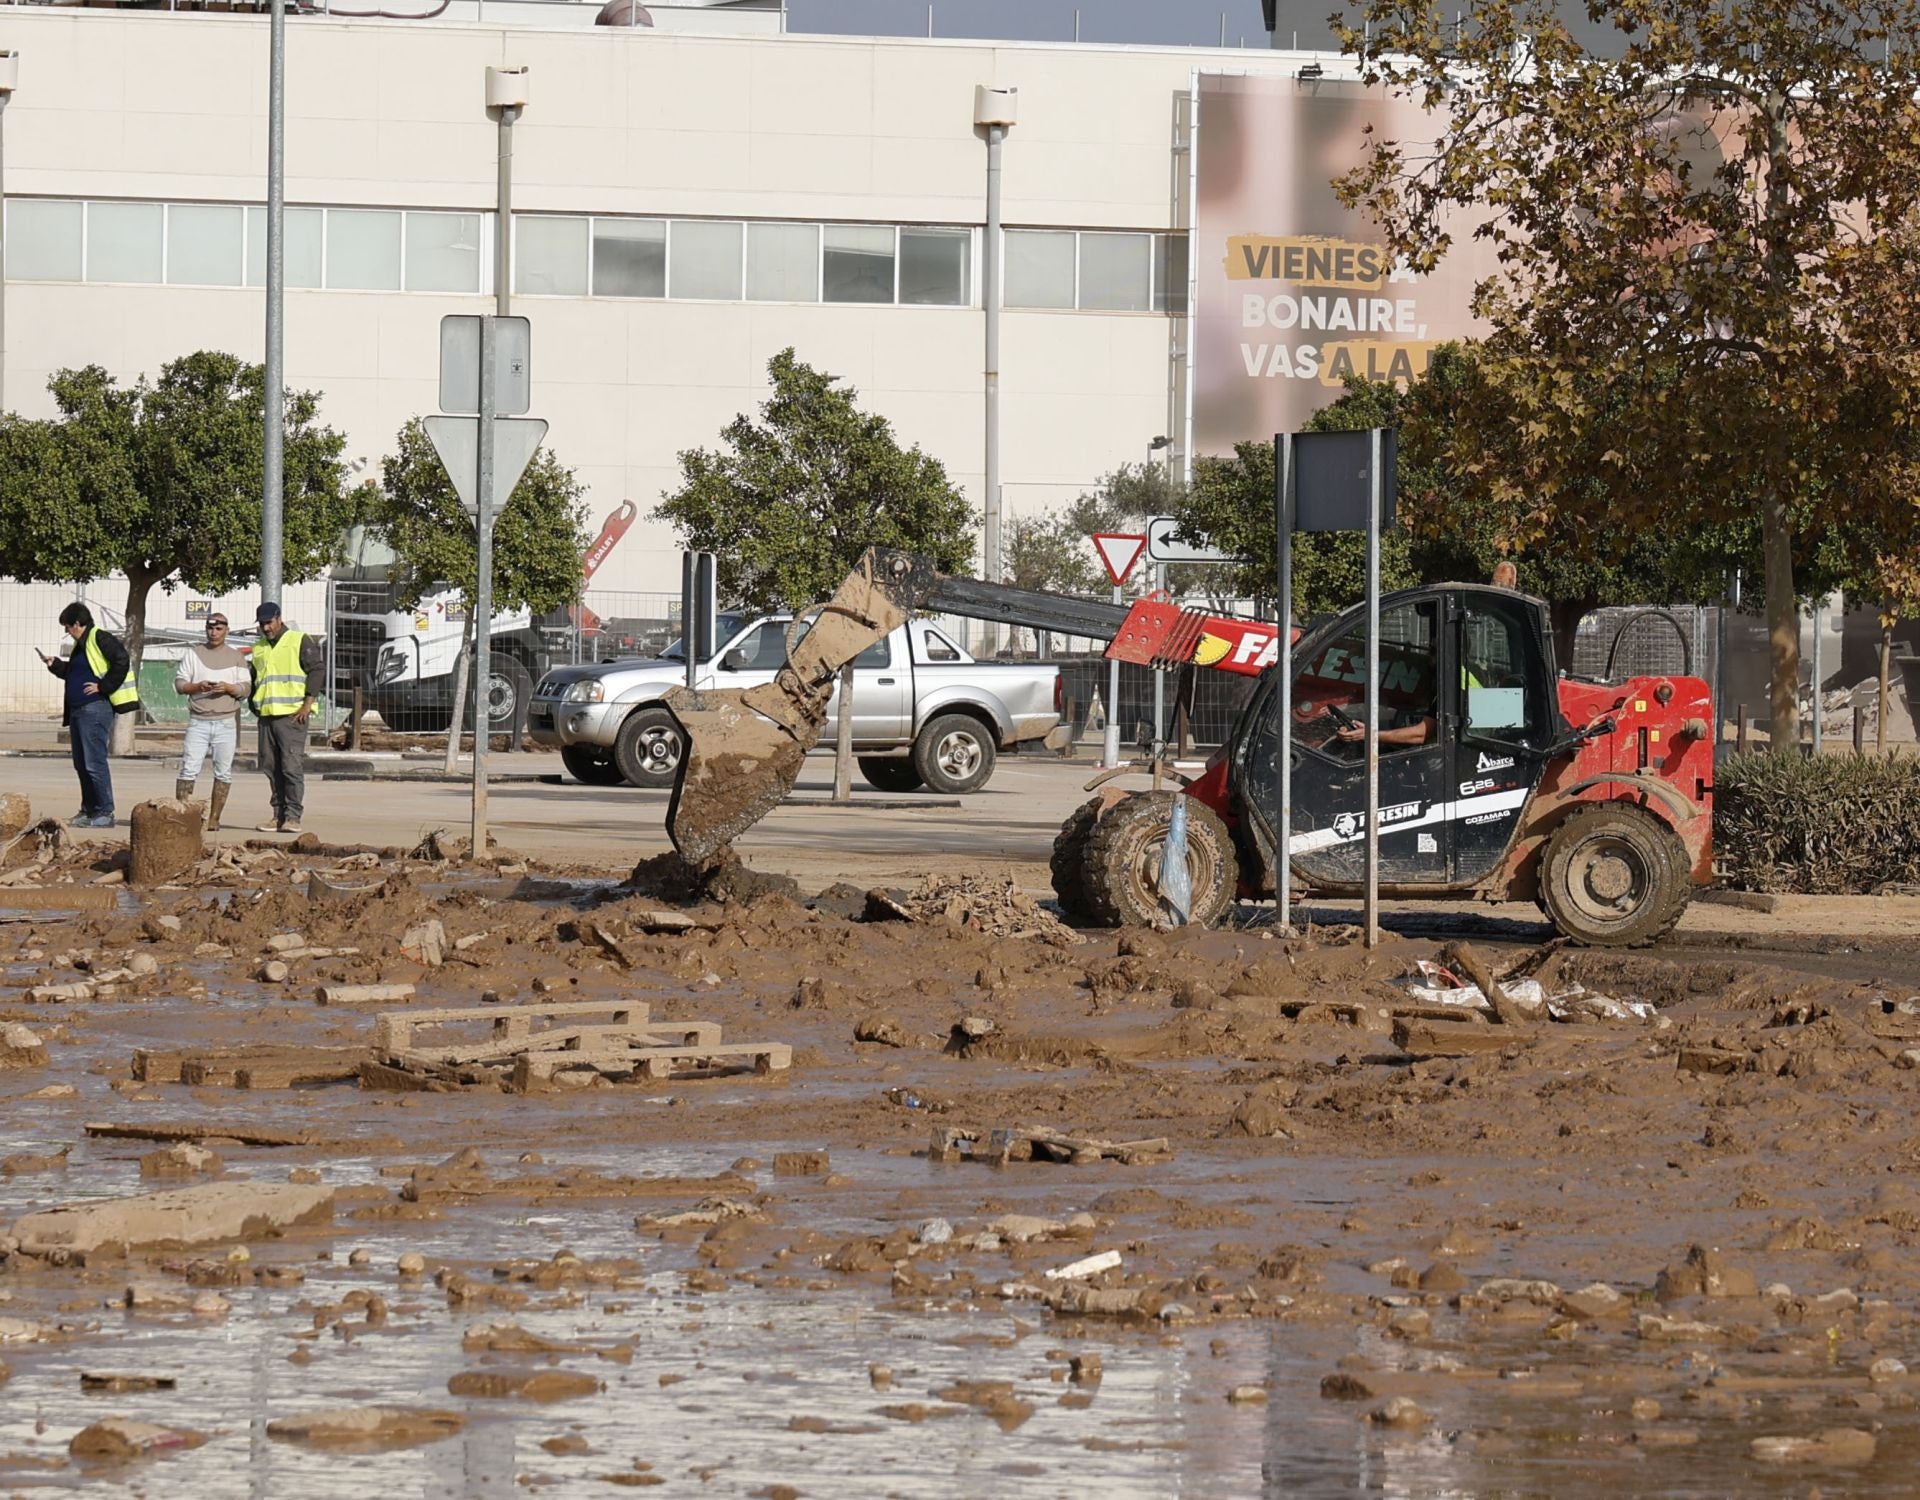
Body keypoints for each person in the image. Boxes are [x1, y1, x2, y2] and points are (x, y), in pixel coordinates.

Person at [38, 603, 138, 828]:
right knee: (81, 763)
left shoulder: (99, 638)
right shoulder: (80, 646)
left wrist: (104, 686)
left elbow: (121, 660)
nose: (66, 631)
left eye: (67, 626)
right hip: (78, 711)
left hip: (94, 709)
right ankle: (89, 810)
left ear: (76, 623)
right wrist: (56, 666)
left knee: (94, 762)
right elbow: (75, 675)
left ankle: (105, 811)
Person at [249, 602, 324, 835]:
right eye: (262, 624)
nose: (266, 627)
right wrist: (255, 705)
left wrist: (307, 704)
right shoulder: (259, 647)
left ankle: (293, 816)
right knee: (271, 767)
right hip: (267, 716)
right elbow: (255, 679)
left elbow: (317, 670)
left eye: (269, 622)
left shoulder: (299, 640)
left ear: (279, 619)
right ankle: (277, 815)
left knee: (291, 767)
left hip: (292, 716)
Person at [173, 613, 250, 831]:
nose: (213, 632)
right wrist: (198, 687)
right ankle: (184, 815)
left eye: (218, 629)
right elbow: (180, 684)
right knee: (189, 767)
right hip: (199, 721)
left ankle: (214, 818)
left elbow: (245, 688)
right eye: (210, 628)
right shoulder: (194, 654)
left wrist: (229, 688)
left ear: (227, 630)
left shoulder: (236, 657)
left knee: (223, 771)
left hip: (226, 722)